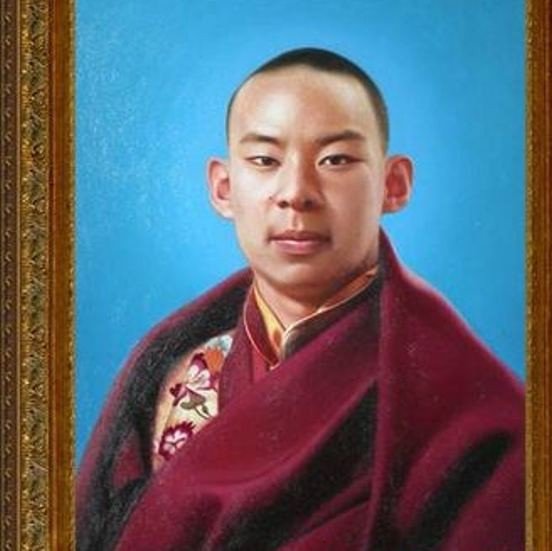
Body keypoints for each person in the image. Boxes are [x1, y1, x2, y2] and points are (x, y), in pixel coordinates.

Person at [77, 48, 524, 550]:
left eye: (336, 160)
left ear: (392, 185)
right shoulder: (170, 374)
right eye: (265, 160)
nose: (296, 192)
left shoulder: (466, 407)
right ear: (223, 189)